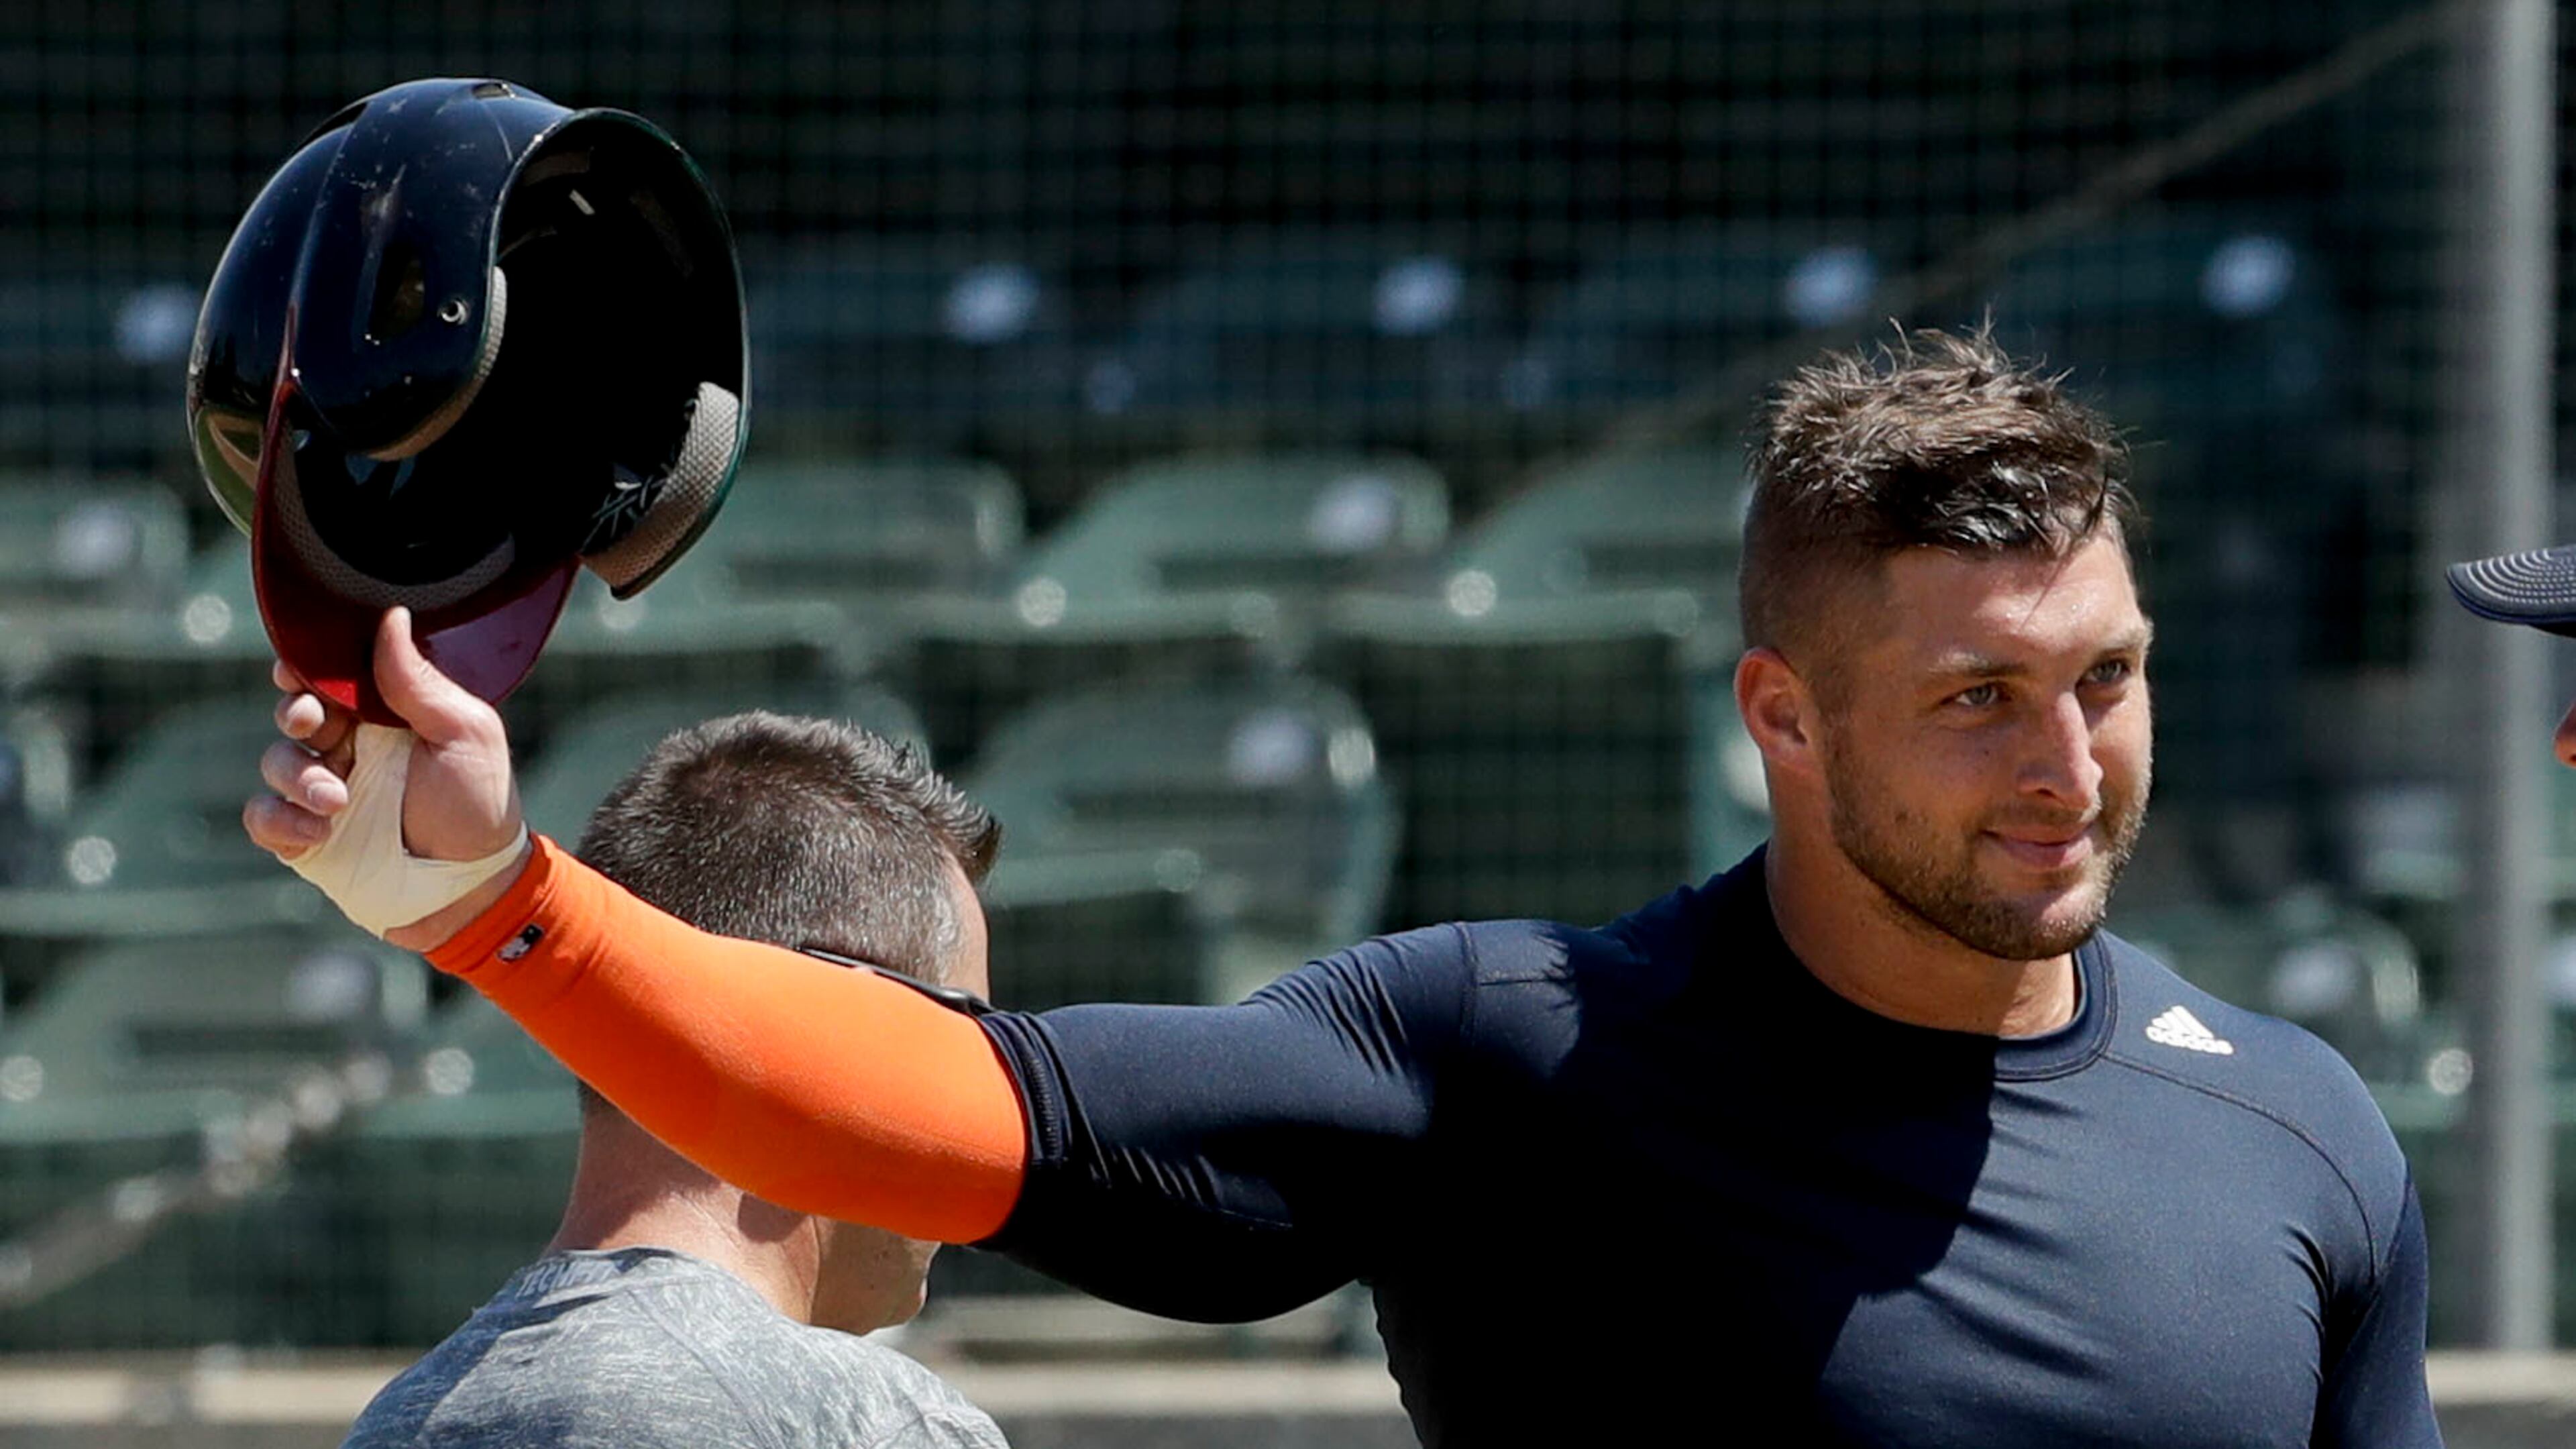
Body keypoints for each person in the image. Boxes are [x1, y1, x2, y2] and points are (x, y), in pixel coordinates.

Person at [253, 329, 2439, 1446]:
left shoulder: (2301, 1132)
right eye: (1979, 700)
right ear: (1783, 716)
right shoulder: (1518, 1059)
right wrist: (491, 901)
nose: (2071, 767)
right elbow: (918, 1104)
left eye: (2108, 677)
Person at [338, 713, 1009, 1449]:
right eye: (969, 1033)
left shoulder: (402, 1420)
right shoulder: (871, 1424)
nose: (983, 1083)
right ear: (855, 1021)